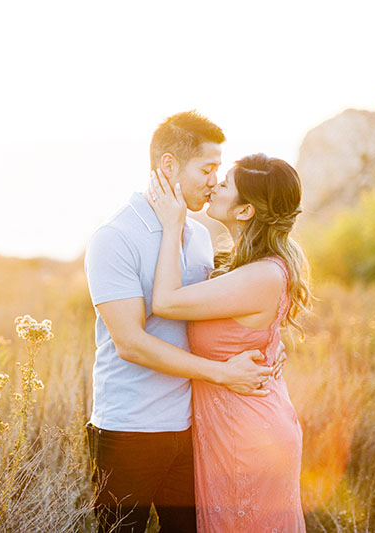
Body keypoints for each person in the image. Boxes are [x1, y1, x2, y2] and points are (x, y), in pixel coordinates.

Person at [84, 111, 284, 533]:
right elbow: (131, 344)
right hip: (130, 430)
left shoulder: (197, 236)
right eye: (208, 169)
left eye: (218, 171)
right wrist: (222, 373)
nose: (215, 181)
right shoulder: (115, 237)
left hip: (192, 428)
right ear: (170, 165)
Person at [145, 153, 311, 532]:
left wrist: (173, 226)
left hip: (247, 436)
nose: (215, 184)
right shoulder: (246, 265)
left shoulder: (262, 275)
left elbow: (166, 302)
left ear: (245, 211)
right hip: (230, 425)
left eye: (226, 184)